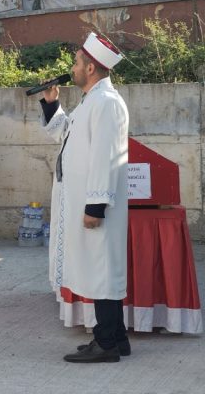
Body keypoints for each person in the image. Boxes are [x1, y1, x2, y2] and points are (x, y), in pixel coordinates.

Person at [40, 33, 130, 363]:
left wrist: (95, 206)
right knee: (98, 269)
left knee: (101, 270)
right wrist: (51, 103)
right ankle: (116, 339)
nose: (73, 68)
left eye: (77, 63)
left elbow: (107, 156)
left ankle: (105, 343)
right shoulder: (91, 101)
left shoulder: (106, 103)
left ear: (90, 67)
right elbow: (64, 135)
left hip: (96, 206)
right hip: (84, 201)